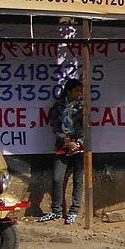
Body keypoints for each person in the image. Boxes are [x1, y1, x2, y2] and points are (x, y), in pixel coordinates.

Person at [37, 79, 85, 225]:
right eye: (76, 90)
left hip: (78, 145)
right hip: (62, 145)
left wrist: (77, 143)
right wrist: (67, 142)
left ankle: (74, 211)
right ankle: (56, 211)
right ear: (69, 91)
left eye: (80, 90)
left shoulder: (82, 107)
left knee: (78, 179)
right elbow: (55, 127)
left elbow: (85, 126)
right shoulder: (58, 107)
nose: (79, 93)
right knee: (57, 178)